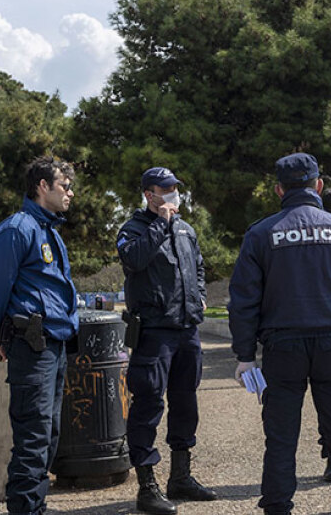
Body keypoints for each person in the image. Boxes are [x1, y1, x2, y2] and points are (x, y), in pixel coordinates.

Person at [229, 153, 331, 515]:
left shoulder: (261, 233)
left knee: (281, 440)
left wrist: (243, 355)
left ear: (279, 189)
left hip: (281, 348)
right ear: (318, 186)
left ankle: (278, 507)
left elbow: (243, 302)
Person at [0, 156, 79, 515]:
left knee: (48, 435)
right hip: (33, 348)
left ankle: (34, 505)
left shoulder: (49, 231)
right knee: (33, 438)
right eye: (64, 186)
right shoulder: (17, 230)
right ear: (42, 186)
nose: (70, 193)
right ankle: (24, 509)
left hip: (53, 347)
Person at [116, 166, 217, 515]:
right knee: (147, 406)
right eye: (166, 188)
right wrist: (160, 222)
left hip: (187, 329)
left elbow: (199, 267)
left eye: (176, 187)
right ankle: (147, 487)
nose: (174, 193)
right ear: (149, 193)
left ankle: (181, 477)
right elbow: (134, 260)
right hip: (154, 332)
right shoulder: (133, 229)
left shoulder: (186, 230)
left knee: (186, 403)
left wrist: (200, 294)